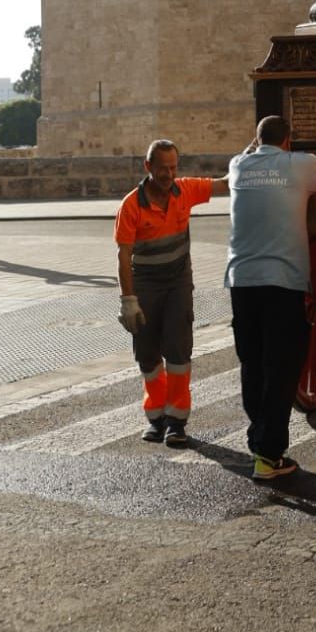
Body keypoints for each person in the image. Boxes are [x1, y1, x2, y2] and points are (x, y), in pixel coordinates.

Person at [225, 116, 316, 481]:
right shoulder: (298, 165)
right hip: (282, 280)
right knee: (281, 367)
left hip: (241, 278)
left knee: (252, 361)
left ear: (257, 140)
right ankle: (269, 453)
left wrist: (254, 145)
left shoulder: (238, 166)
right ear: (289, 142)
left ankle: (260, 437)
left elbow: (246, 152)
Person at [114, 139, 229, 447]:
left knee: (178, 353)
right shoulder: (131, 205)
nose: (168, 174)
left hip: (178, 284)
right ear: (147, 166)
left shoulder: (186, 190)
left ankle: (176, 421)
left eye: (173, 167)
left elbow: (227, 185)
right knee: (148, 356)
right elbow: (124, 255)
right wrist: (128, 300)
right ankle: (156, 417)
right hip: (145, 285)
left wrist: (255, 153)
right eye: (162, 168)